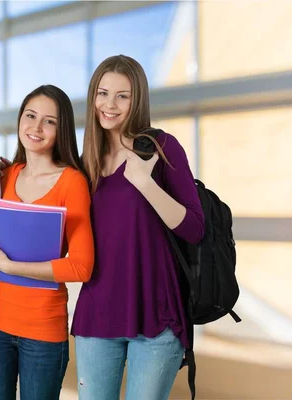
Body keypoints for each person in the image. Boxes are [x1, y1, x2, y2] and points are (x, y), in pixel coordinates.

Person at [71, 55, 205, 400]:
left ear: (138, 100)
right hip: (98, 313)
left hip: (156, 315)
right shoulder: (85, 161)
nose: (109, 105)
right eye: (102, 93)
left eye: (122, 96)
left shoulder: (161, 147)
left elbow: (194, 227)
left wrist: (146, 184)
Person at [0, 85, 94, 400]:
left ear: (62, 130)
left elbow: (81, 266)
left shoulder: (72, 182)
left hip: (43, 331)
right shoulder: (3, 176)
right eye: (30, 116)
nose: (36, 127)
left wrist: (9, 266)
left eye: (50, 121)